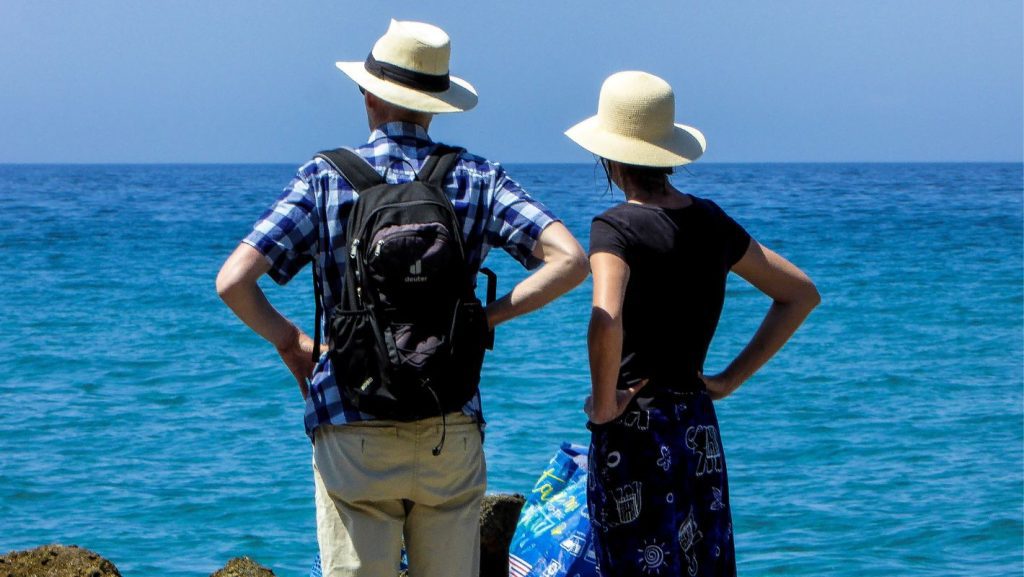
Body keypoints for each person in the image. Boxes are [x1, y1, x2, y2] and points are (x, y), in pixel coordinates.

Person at [216, 20, 588, 577]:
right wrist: (486, 318)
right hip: (450, 420)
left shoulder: (325, 177)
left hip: (352, 419)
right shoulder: (476, 177)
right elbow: (571, 260)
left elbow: (234, 281)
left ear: (368, 95)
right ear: (435, 105)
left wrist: (291, 341)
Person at [565, 71, 820, 576]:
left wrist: (605, 405)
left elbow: (606, 317)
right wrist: (728, 380)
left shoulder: (614, 227)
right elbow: (799, 294)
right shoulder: (711, 221)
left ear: (609, 157)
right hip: (698, 428)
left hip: (635, 432)